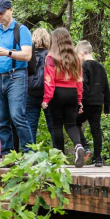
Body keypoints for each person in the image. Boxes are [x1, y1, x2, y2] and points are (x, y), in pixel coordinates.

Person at [0, 0, 34, 155]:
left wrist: (7, 53)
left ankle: (29, 153)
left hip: (16, 76)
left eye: (2, 13)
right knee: (1, 120)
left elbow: (27, 55)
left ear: (11, 10)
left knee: (17, 116)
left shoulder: (21, 30)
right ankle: (7, 155)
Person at [41, 27, 87, 167]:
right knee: (71, 124)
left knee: (56, 126)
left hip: (57, 93)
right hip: (72, 93)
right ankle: (78, 146)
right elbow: (79, 80)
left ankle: (60, 157)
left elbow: (49, 80)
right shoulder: (76, 58)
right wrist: (79, 100)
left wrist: (46, 99)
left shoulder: (51, 57)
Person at [77, 40, 110, 167]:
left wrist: (80, 102)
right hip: (98, 103)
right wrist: (107, 107)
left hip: (87, 102)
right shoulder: (101, 67)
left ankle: (85, 146)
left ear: (82, 53)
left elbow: (83, 86)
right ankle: (98, 158)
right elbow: (106, 88)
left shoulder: (84, 66)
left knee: (74, 122)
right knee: (96, 129)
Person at [27, 28, 55, 146]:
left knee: (31, 126)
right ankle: (58, 153)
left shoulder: (27, 55)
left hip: (30, 92)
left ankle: (30, 155)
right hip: (48, 94)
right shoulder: (51, 56)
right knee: (53, 126)